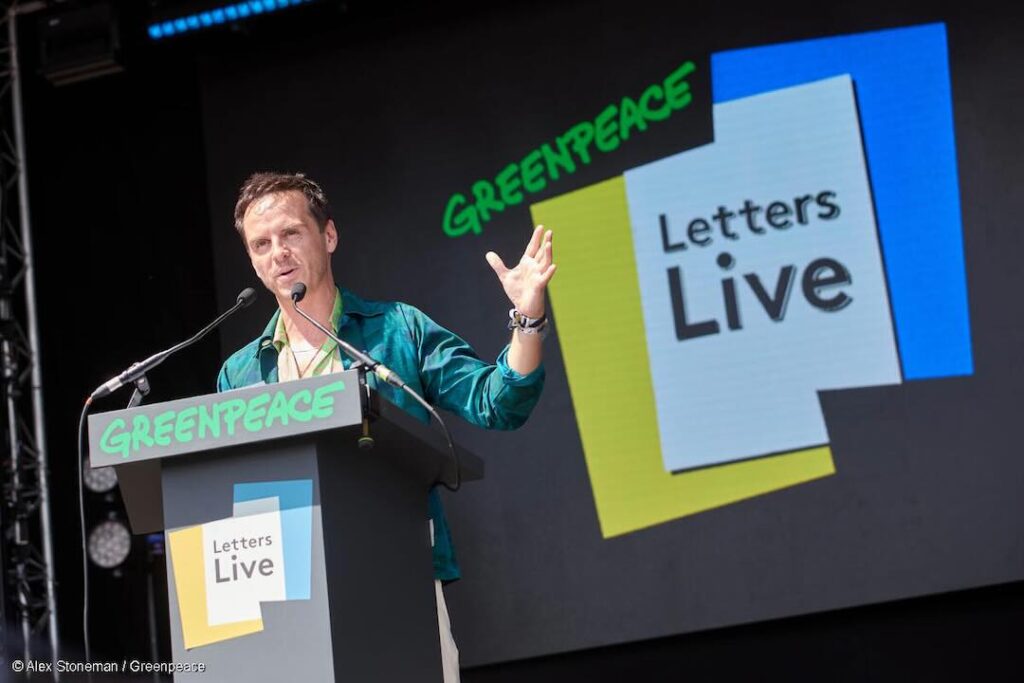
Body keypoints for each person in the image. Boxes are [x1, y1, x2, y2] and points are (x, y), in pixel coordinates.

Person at [216, 172, 556, 682]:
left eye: (291, 234)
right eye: (261, 244)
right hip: (285, 597)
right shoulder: (240, 373)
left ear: (328, 236)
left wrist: (526, 320)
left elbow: (499, 402)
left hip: (398, 575)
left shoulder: (396, 330)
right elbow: (228, 497)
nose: (278, 254)